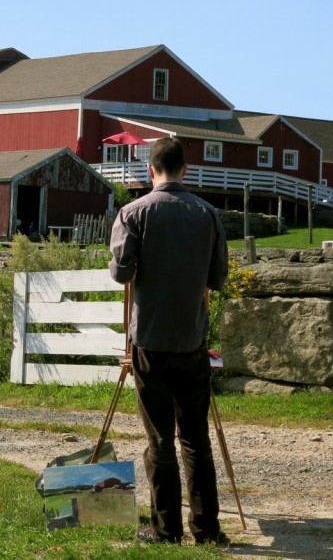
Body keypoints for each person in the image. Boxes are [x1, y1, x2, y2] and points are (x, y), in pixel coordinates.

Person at [108, 136, 230, 546]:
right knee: (195, 438)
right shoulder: (208, 214)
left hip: (150, 340)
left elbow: (121, 273)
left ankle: (166, 530)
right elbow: (217, 278)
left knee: (159, 439)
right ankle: (208, 531)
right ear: (185, 169)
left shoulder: (132, 213)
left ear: (150, 169)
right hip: (192, 340)